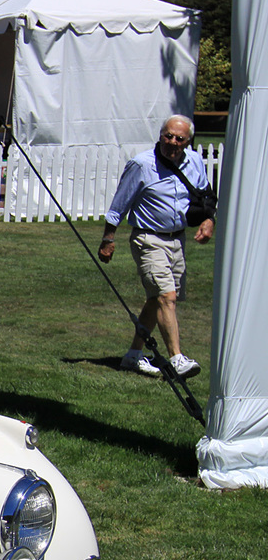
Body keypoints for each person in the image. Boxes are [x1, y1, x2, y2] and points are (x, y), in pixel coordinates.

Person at [97, 114, 214, 379]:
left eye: (179, 139)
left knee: (156, 300)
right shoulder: (141, 164)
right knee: (166, 297)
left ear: (188, 142)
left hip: (177, 239)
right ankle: (177, 359)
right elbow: (119, 204)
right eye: (167, 136)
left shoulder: (194, 161)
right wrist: (108, 239)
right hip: (148, 239)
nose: (172, 142)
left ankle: (133, 356)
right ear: (160, 135)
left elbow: (205, 196)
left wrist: (208, 221)